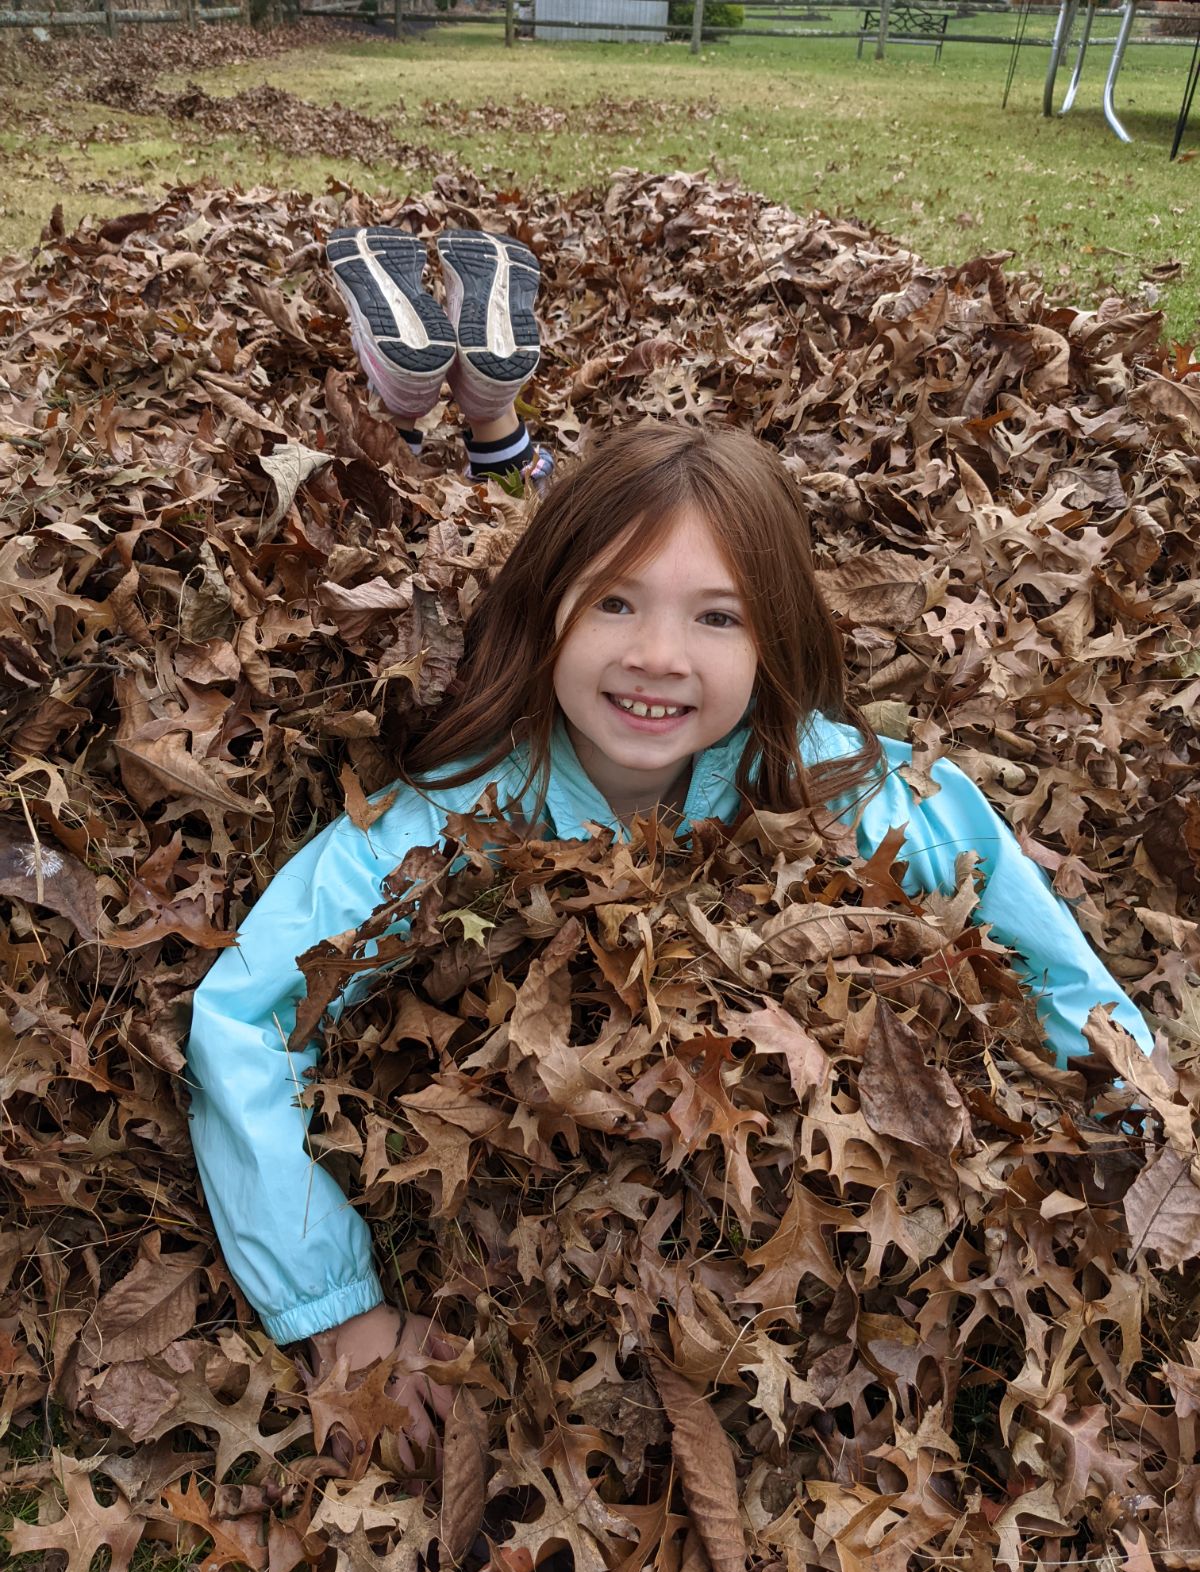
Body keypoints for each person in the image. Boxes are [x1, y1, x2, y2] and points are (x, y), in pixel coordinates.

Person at [183, 243, 1155, 1465]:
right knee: (472, 477)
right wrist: (340, 1301)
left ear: (775, 636)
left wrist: (1139, 1125)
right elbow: (245, 1022)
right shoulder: (450, 823)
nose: (658, 656)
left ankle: (489, 415)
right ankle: (466, 415)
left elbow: (1053, 966)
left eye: (716, 616)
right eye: (615, 603)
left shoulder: (857, 791)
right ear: (547, 613)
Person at [324, 224, 554, 488]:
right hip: (525, 520)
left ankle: (396, 414)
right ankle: (496, 424)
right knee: (513, 489)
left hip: (399, 509)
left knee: (383, 497)